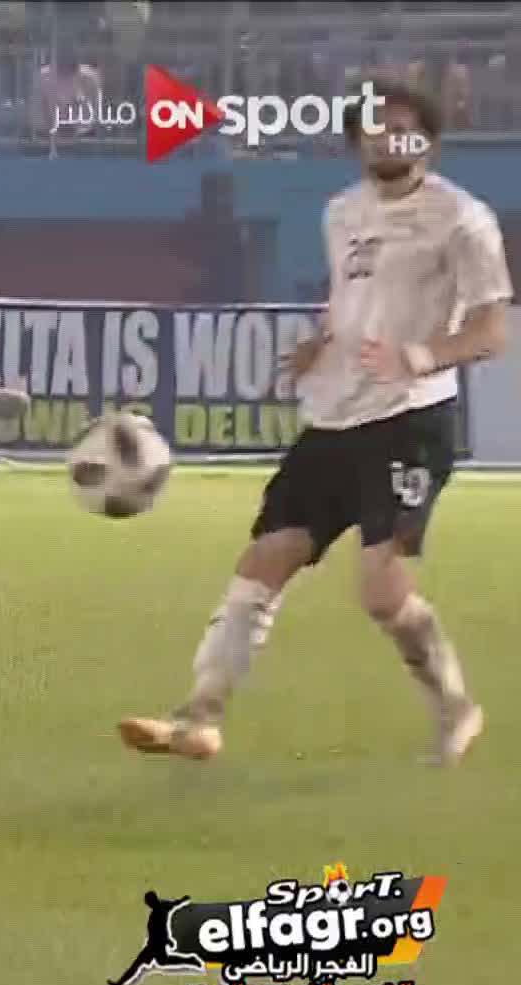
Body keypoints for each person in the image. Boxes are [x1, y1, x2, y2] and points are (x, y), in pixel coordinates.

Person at [120, 81, 508, 766]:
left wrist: (418, 356)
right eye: (373, 127)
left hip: (412, 418)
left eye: (401, 127)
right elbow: (348, 300)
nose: (386, 138)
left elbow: (489, 330)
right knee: (264, 560)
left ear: (428, 139)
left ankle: (455, 707)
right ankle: (199, 716)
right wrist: (320, 342)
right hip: (333, 417)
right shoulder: (341, 213)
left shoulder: (463, 220)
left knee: (382, 594)